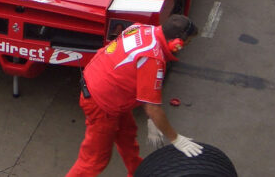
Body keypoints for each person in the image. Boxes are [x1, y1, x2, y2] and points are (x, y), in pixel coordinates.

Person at [66, 15, 203, 177]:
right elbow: (153, 108)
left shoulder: (142, 28)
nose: (186, 46)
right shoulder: (152, 58)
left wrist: (153, 118)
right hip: (102, 104)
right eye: (187, 43)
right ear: (177, 43)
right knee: (94, 160)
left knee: (127, 134)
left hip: (104, 88)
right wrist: (175, 139)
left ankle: (137, 172)